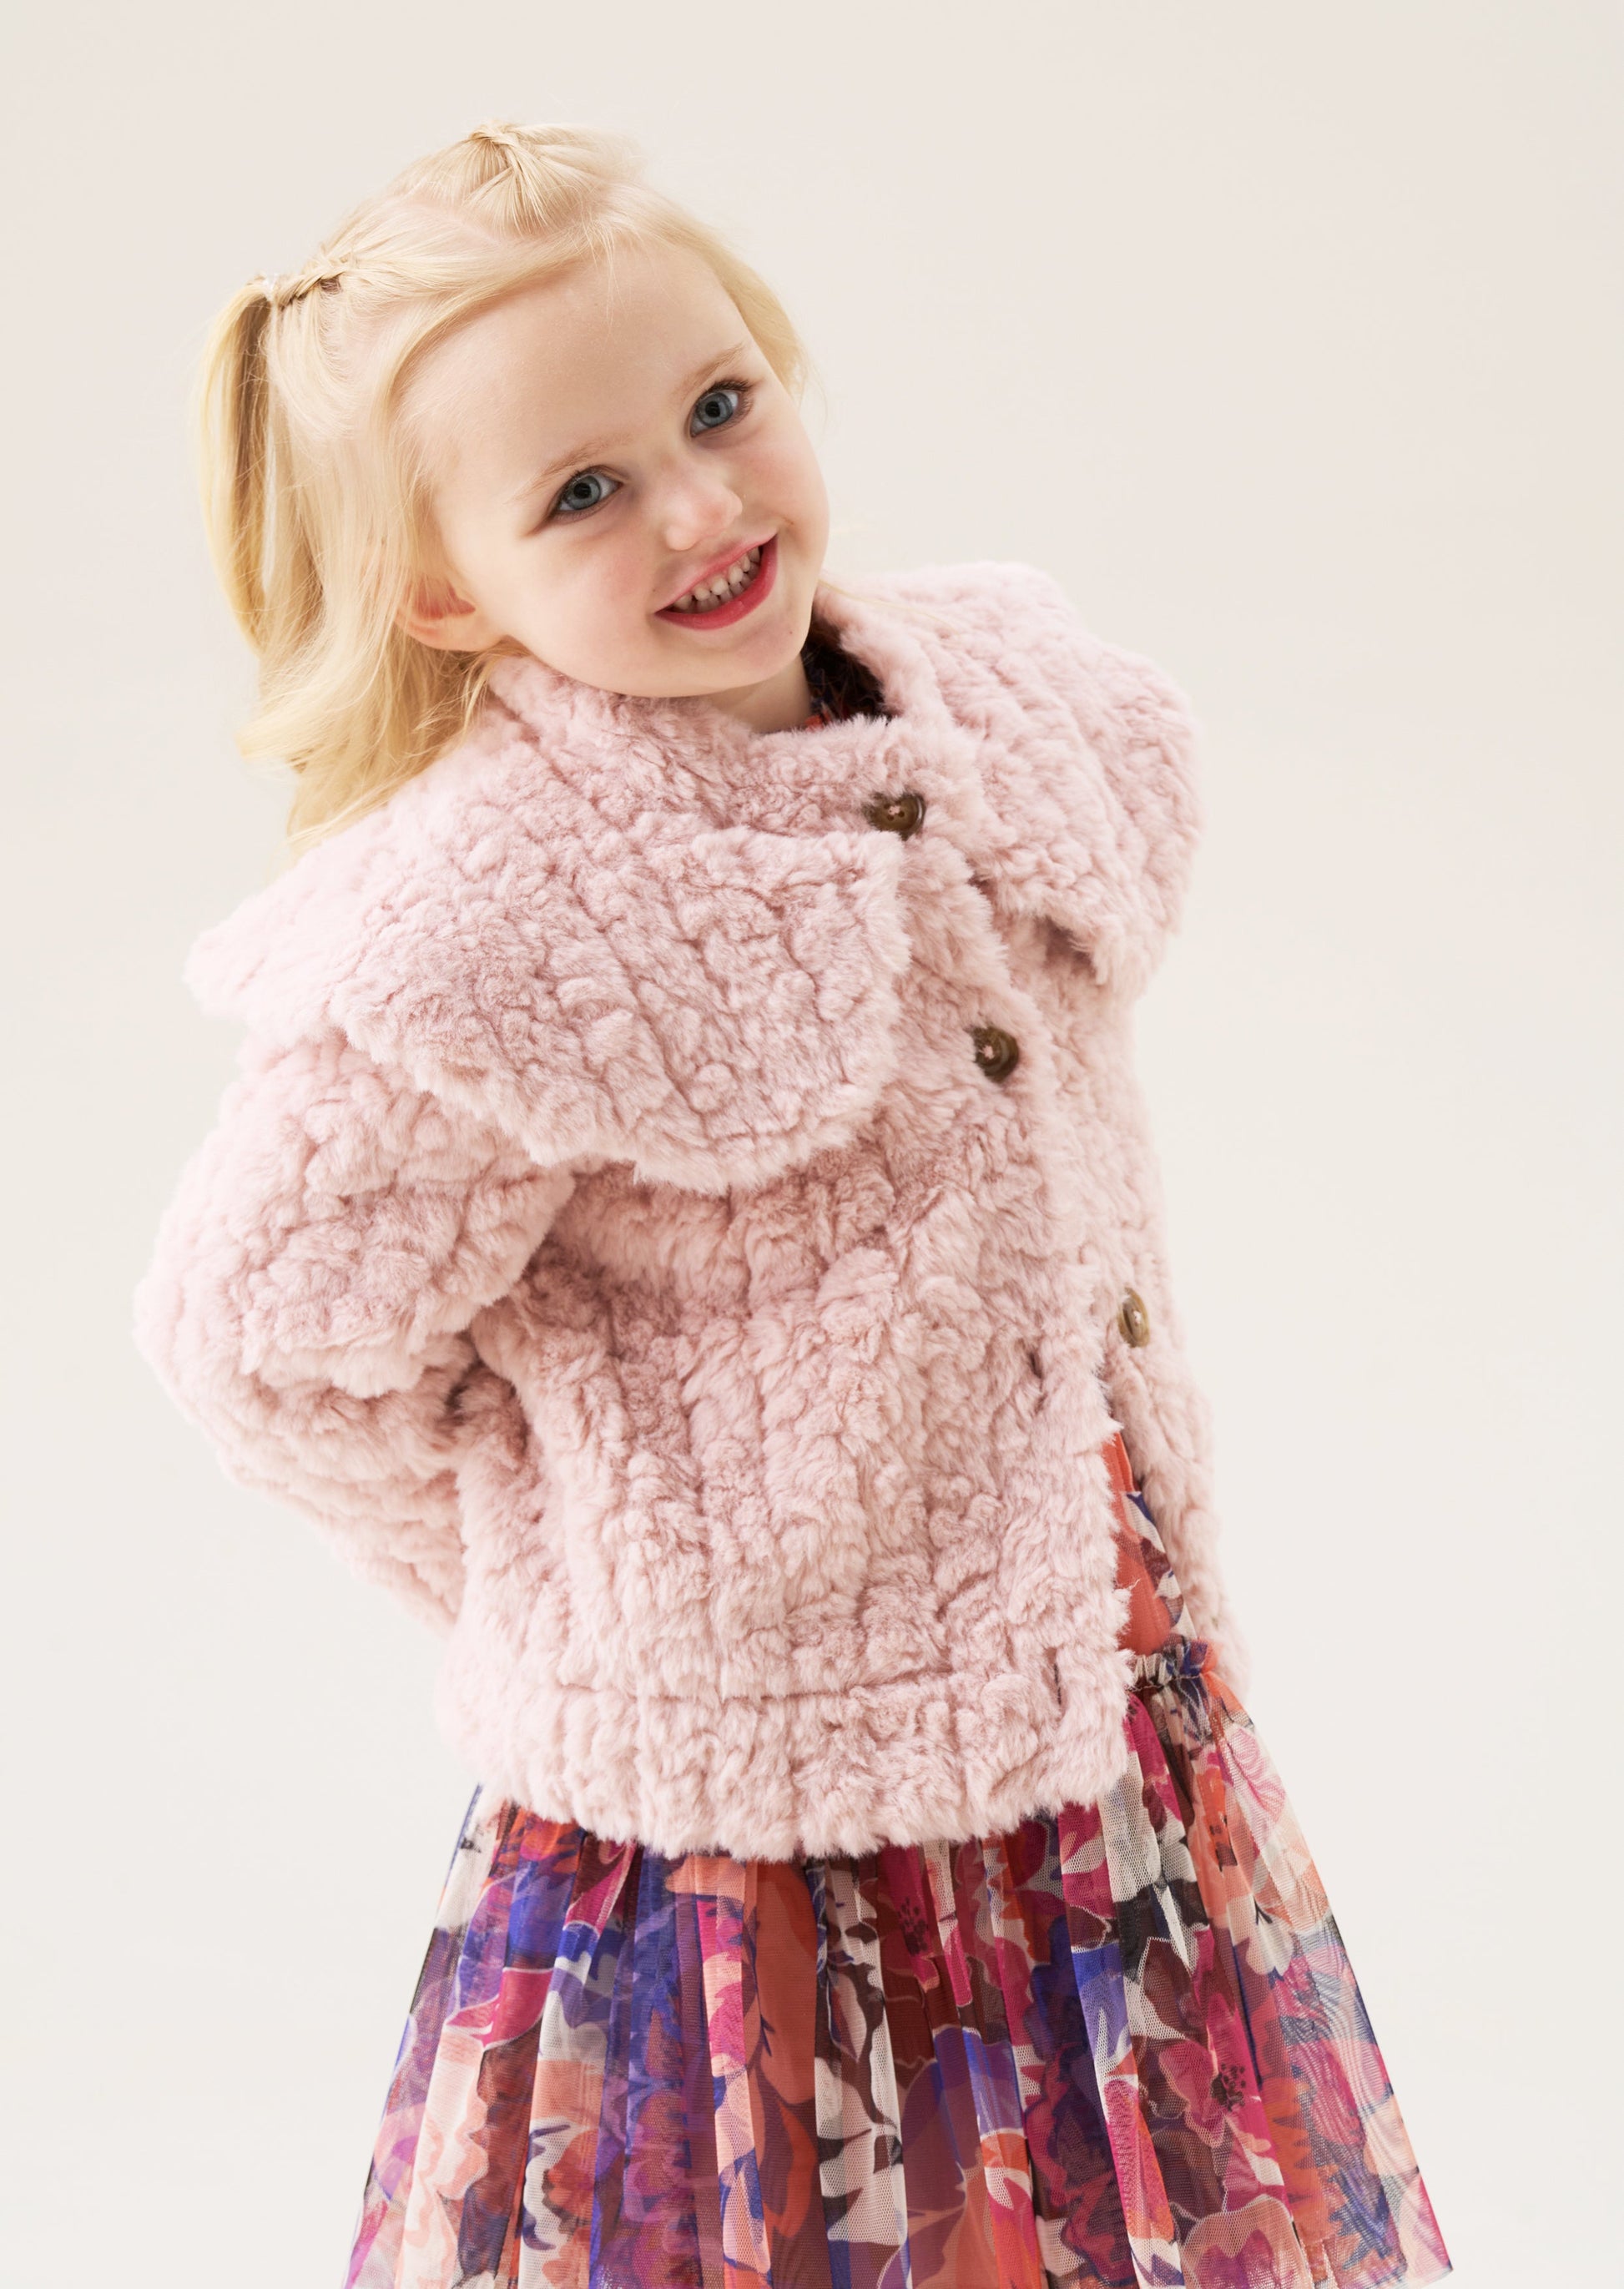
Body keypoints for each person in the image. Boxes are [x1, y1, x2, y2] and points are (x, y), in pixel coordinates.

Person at [136, 119, 1450, 2289]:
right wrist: (554, 1565)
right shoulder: (493, 919)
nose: (701, 507)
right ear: (448, 590)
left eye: (720, 405)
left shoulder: (1001, 709)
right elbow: (259, 1338)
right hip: (739, 1819)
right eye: (584, 490)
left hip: (1090, 1698)